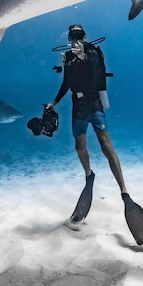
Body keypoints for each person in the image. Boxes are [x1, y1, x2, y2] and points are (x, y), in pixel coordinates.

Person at [46, 24, 127, 225]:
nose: (76, 38)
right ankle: (89, 175)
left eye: (79, 35)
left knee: (105, 145)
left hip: (94, 103)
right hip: (78, 107)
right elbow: (65, 83)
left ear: (84, 35)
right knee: (79, 147)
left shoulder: (92, 51)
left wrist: (84, 56)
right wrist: (54, 102)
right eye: (72, 35)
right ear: (69, 36)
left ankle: (124, 190)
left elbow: (98, 70)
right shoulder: (68, 58)